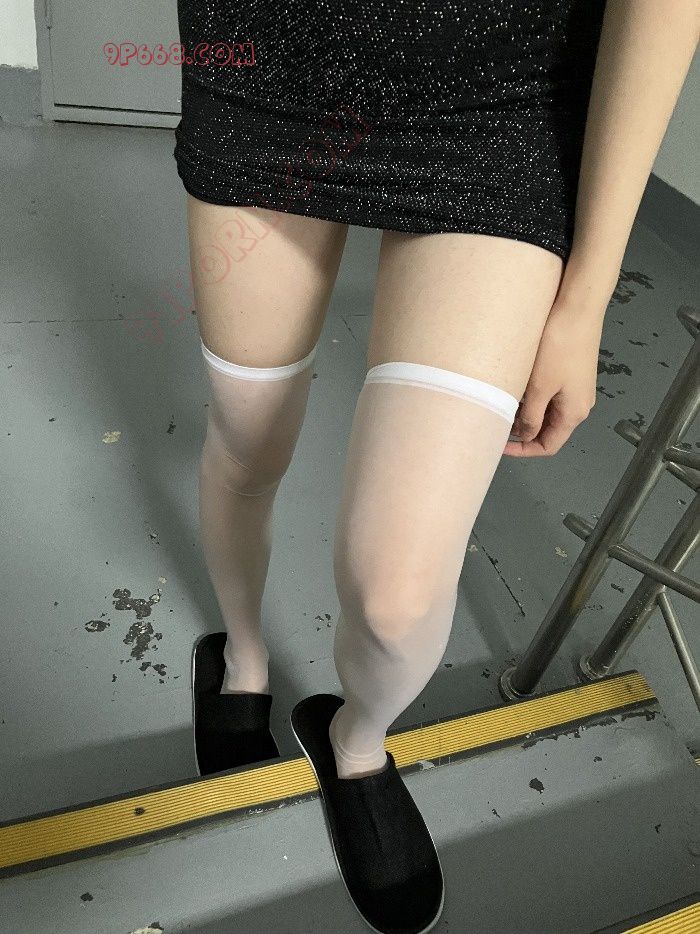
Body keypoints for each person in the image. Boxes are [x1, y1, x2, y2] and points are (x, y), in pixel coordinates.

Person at [172, 2, 700, 932]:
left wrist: (585, 298)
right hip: (263, 70)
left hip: (501, 99)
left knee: (398, 594)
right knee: (249, 442)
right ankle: (242, 658)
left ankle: (356, 741)